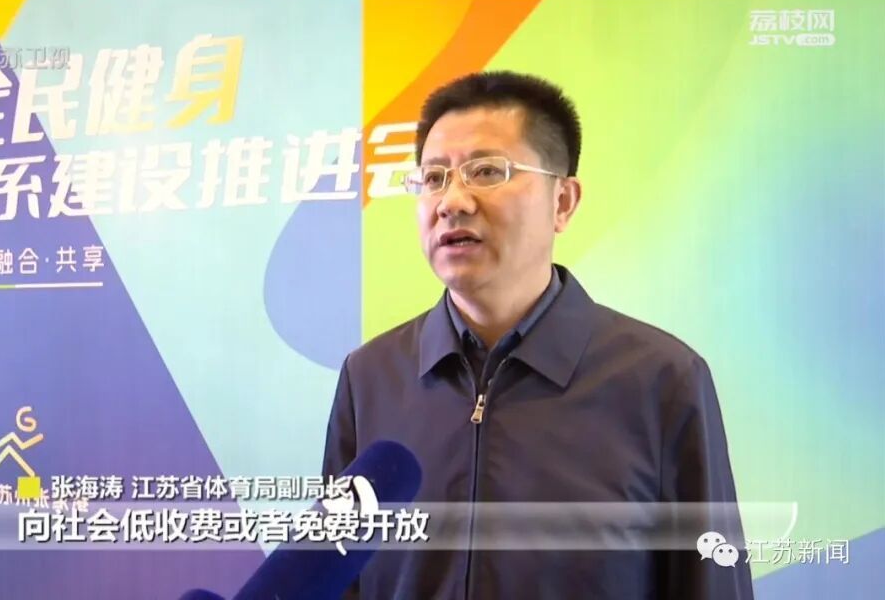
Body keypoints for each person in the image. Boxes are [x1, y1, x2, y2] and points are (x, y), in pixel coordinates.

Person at [322, 71, 754, 599]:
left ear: (563, 201)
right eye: (433, 178)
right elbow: (333, 581)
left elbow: (711, 583)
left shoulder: (662, 381)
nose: (451, 201)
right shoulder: (370, 378)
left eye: (486, 171)